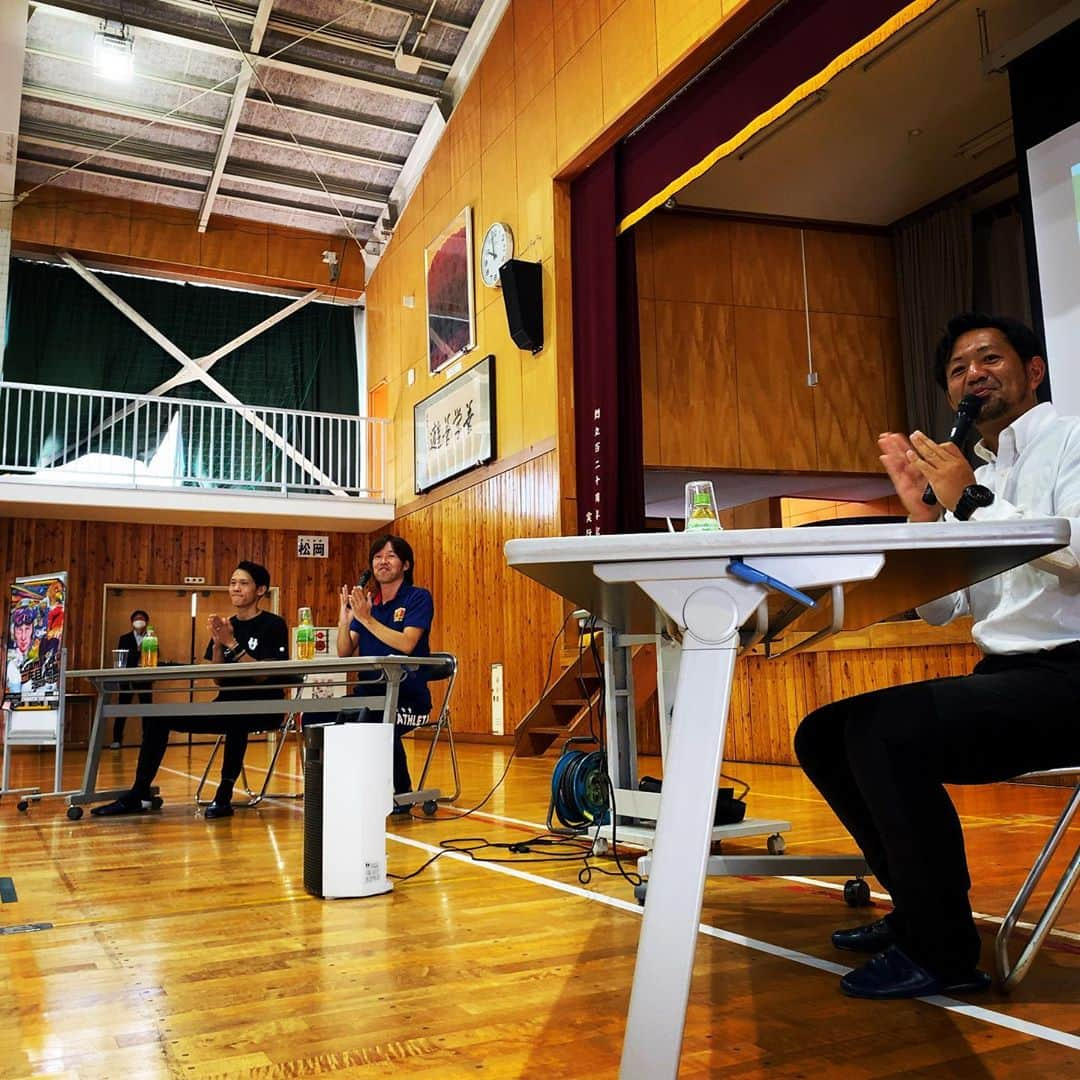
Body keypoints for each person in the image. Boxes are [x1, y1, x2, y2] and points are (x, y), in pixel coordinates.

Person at [794, 312, 1080, 999]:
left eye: (989, 359)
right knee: (824, 734)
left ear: (1033, 371)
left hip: (1071, 676)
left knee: (883, 732)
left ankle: (942, 952)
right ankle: (919, 912)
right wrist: (927, 522)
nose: (974, 375)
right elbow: (947, 608)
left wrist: (971, 503)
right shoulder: (972, 474)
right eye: (958, 369)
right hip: (1012, 680)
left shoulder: (1071, 440)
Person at [92, 561, 289, 820]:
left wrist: (231, 642)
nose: (235, 588)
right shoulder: (226, 624)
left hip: (263, 707)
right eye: (232, 583)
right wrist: (219, 644)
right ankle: (139, 793)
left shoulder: (273, 624)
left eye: (243, 583)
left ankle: (224, 794)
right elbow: (218, 680)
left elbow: (263, 675)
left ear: (260, 590)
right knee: (157, 717)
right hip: (225, 703)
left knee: (236, 718)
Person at [338, 534, 434, 801]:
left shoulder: (417, 598)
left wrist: (366, 620)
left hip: (409, 701)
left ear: (405, 564)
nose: (383, 561)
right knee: (322, 718)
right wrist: (345, 620)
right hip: (368, 695)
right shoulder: (369, 606)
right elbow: (344, 652)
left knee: (375, 721)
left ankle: (401, 793)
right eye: (378, 557)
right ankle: (343, 793)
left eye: (390, 556)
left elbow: (406, 644)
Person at [111, 609, 151, 749]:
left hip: (145, 678)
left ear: (146, 622)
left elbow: (154, 656)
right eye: (136, 618)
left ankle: (147, 738)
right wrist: (137, 651)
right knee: (122, 709)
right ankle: (116, 739)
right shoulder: (125, 638)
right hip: (127, 679)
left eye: (142, 618)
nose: (139, 621)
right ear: (132, 622)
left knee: (147, 710)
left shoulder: (151, 638)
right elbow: (122, 658)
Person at [5, 605, 39, 696]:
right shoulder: (8, 661)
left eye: (27, 629)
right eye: (19, 630)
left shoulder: (40, 655)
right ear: (13, 632)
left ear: (33, 630)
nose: (23, 637)